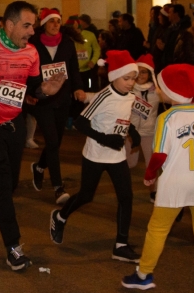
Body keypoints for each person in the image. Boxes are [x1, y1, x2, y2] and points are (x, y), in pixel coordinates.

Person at [121, 64, 194, 293]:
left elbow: (158, 155)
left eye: (161, 86)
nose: (158, 90)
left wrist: (149, 175)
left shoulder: (167, 117)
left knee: (157, 229)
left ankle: (143, 274)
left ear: (172, 92)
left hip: (177, 182)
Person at [0, 1, 65, 270]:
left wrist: (45, 90)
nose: (31, 31)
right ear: (9, 24)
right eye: (27, 25)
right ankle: (13, 247)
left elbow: (34, 89)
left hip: (14, 122)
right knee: (2, 182)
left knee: (11, 184)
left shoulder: (31, 53)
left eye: (33, 25)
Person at [49, 50, 142, 263]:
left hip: (117, 156)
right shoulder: (104, 96)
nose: (130, 83)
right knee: (86, 195)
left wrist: (133, 133)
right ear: (114, 76)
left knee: (126, 198)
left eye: (133, 79)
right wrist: (104, 138)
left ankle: (120, 245)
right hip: (96, 155)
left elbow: (124, 118)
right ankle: (60, 216)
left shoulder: (130, 96)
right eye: (126, 78)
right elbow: (81, 122)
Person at [28, 8, 86, 204]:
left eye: (57, 22)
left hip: (62, 99)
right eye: (51, 21)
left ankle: (39, 167)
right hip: (42, 100)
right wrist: (31, 92)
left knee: (56, 142)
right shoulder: (33, 43)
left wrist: (78, 88)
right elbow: (28, 70)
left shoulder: (67, 44)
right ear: (43, 24)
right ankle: (58, 187)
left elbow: (74, 69)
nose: (55, 25)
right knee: (52, 142)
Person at [125, 54, 161, 202]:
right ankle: (123, 186)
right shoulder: (128, 88)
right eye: (138, 71)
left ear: (150, 74)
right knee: (130, 162)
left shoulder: (157, 92)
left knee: (151, 165)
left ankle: (155, 191)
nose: (141, 75)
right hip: (130, 133)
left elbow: (174, 98)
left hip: (149, 133)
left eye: (144, 71)